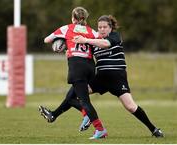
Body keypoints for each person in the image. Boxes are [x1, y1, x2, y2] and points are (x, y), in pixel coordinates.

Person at [40, 14, 164, 138]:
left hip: (116, 77)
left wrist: (86, 40)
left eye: (105, 27)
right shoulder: (94, 41)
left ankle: (154, 130)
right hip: (100, 78)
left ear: (110, 28)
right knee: (72, 94)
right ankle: (55, 115)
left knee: (131, 107)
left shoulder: (114, 36)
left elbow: (105, 44)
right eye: (100, 27)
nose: (102, 29)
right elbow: (83, 52)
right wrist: (69, 51)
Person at [39, 7, 107, 139]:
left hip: (77, 68)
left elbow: (46, 40)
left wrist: (63, 41)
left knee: (85, 102)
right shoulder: (90, 30)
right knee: (70, 97)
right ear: (85, 18)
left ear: (73, 18)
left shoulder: (67, 28)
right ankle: (53, 115)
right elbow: (102, 42)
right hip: (90, 67)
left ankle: (100, 129)